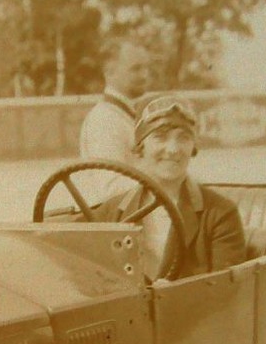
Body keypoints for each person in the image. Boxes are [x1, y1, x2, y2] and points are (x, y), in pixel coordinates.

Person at [92, 94, 246, 281]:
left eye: (183, 138)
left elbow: (228, 293)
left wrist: (173, 296)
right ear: (141, 146)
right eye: (160, 137)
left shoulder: (220, 214)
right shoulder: (111, 211)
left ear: (193, 146)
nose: (173, 149)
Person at [78, 38, 152, 201]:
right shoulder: (104, 120)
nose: (145, 75)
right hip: (113, 221)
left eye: (146, 68)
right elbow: (111, 189)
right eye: (136, 69)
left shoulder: (124, 114)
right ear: (109, 72)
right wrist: (165, 184)